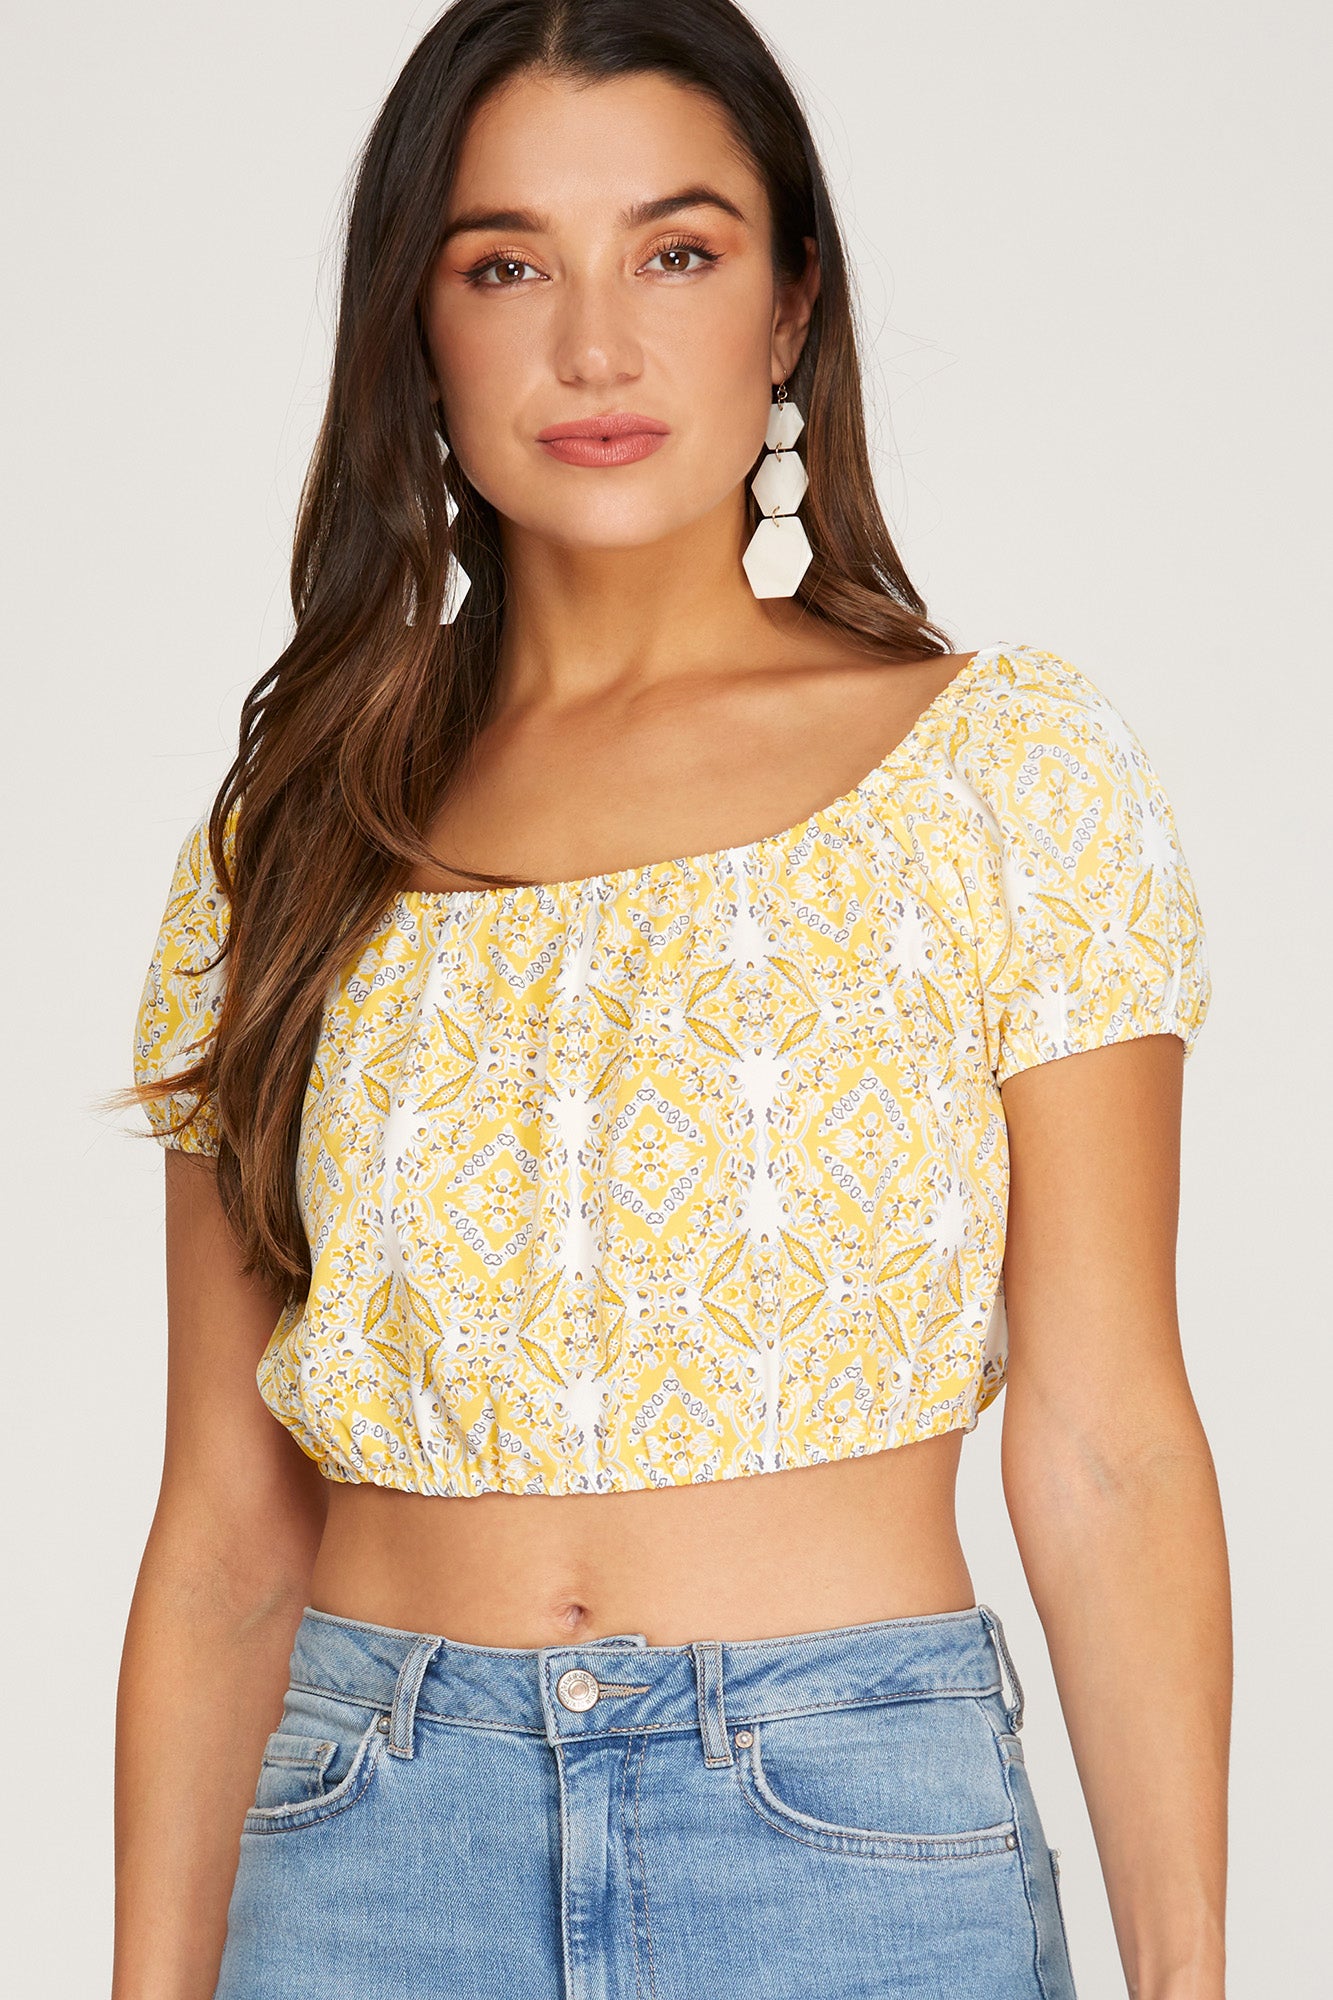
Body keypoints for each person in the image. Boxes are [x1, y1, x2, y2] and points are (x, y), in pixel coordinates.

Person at [112, 3, 1230, 1996]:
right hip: (367, 1856)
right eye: (506, 265)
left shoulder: (999, 768)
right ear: (416, 327)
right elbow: (222, 1526)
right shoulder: (291, 834)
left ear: (788, 308)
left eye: (677, 253)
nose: (595, 346)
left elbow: (1108, 1440)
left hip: (846, 1847)